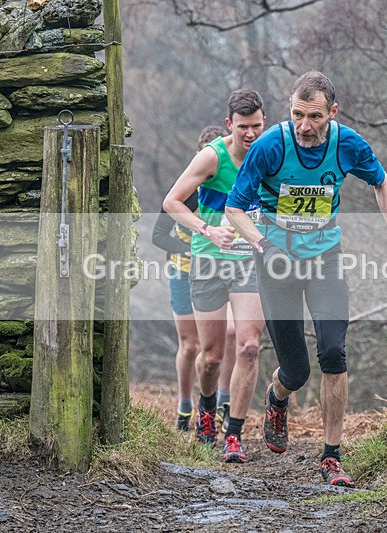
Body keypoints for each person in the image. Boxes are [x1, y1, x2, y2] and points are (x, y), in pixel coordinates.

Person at [225, 71, 387, 487]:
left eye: (313, 117)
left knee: (333, 353)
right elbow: (234, 209)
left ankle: (331, 457)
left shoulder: (348, 144)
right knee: (295, 371)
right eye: (296, 115)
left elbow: (382, 184)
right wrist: (262, 244)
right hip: (277, 263)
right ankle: (277, 397)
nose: (304, 126)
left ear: (333, 111)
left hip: (325, 258)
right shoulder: (272, 145)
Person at [163, 89, 267, 463]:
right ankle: (206, 412)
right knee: (210, 357)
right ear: (230, 125)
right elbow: (172, 203)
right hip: (208, 260)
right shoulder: (212, 157)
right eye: (243, 128)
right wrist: (206, 231)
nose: (251, 135)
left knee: (250, 346)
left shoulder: (270, 154)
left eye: (257, 126)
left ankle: (234, 433)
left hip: (249, 262)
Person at [151, 125, 237, 433]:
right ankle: (185, 407)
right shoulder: (185, 194)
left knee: (228, 336)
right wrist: (187, 249)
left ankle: (223, 402)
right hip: (183, 272)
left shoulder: (230, 190)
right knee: (191, 346)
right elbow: (158, 235)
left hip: (220, 269)